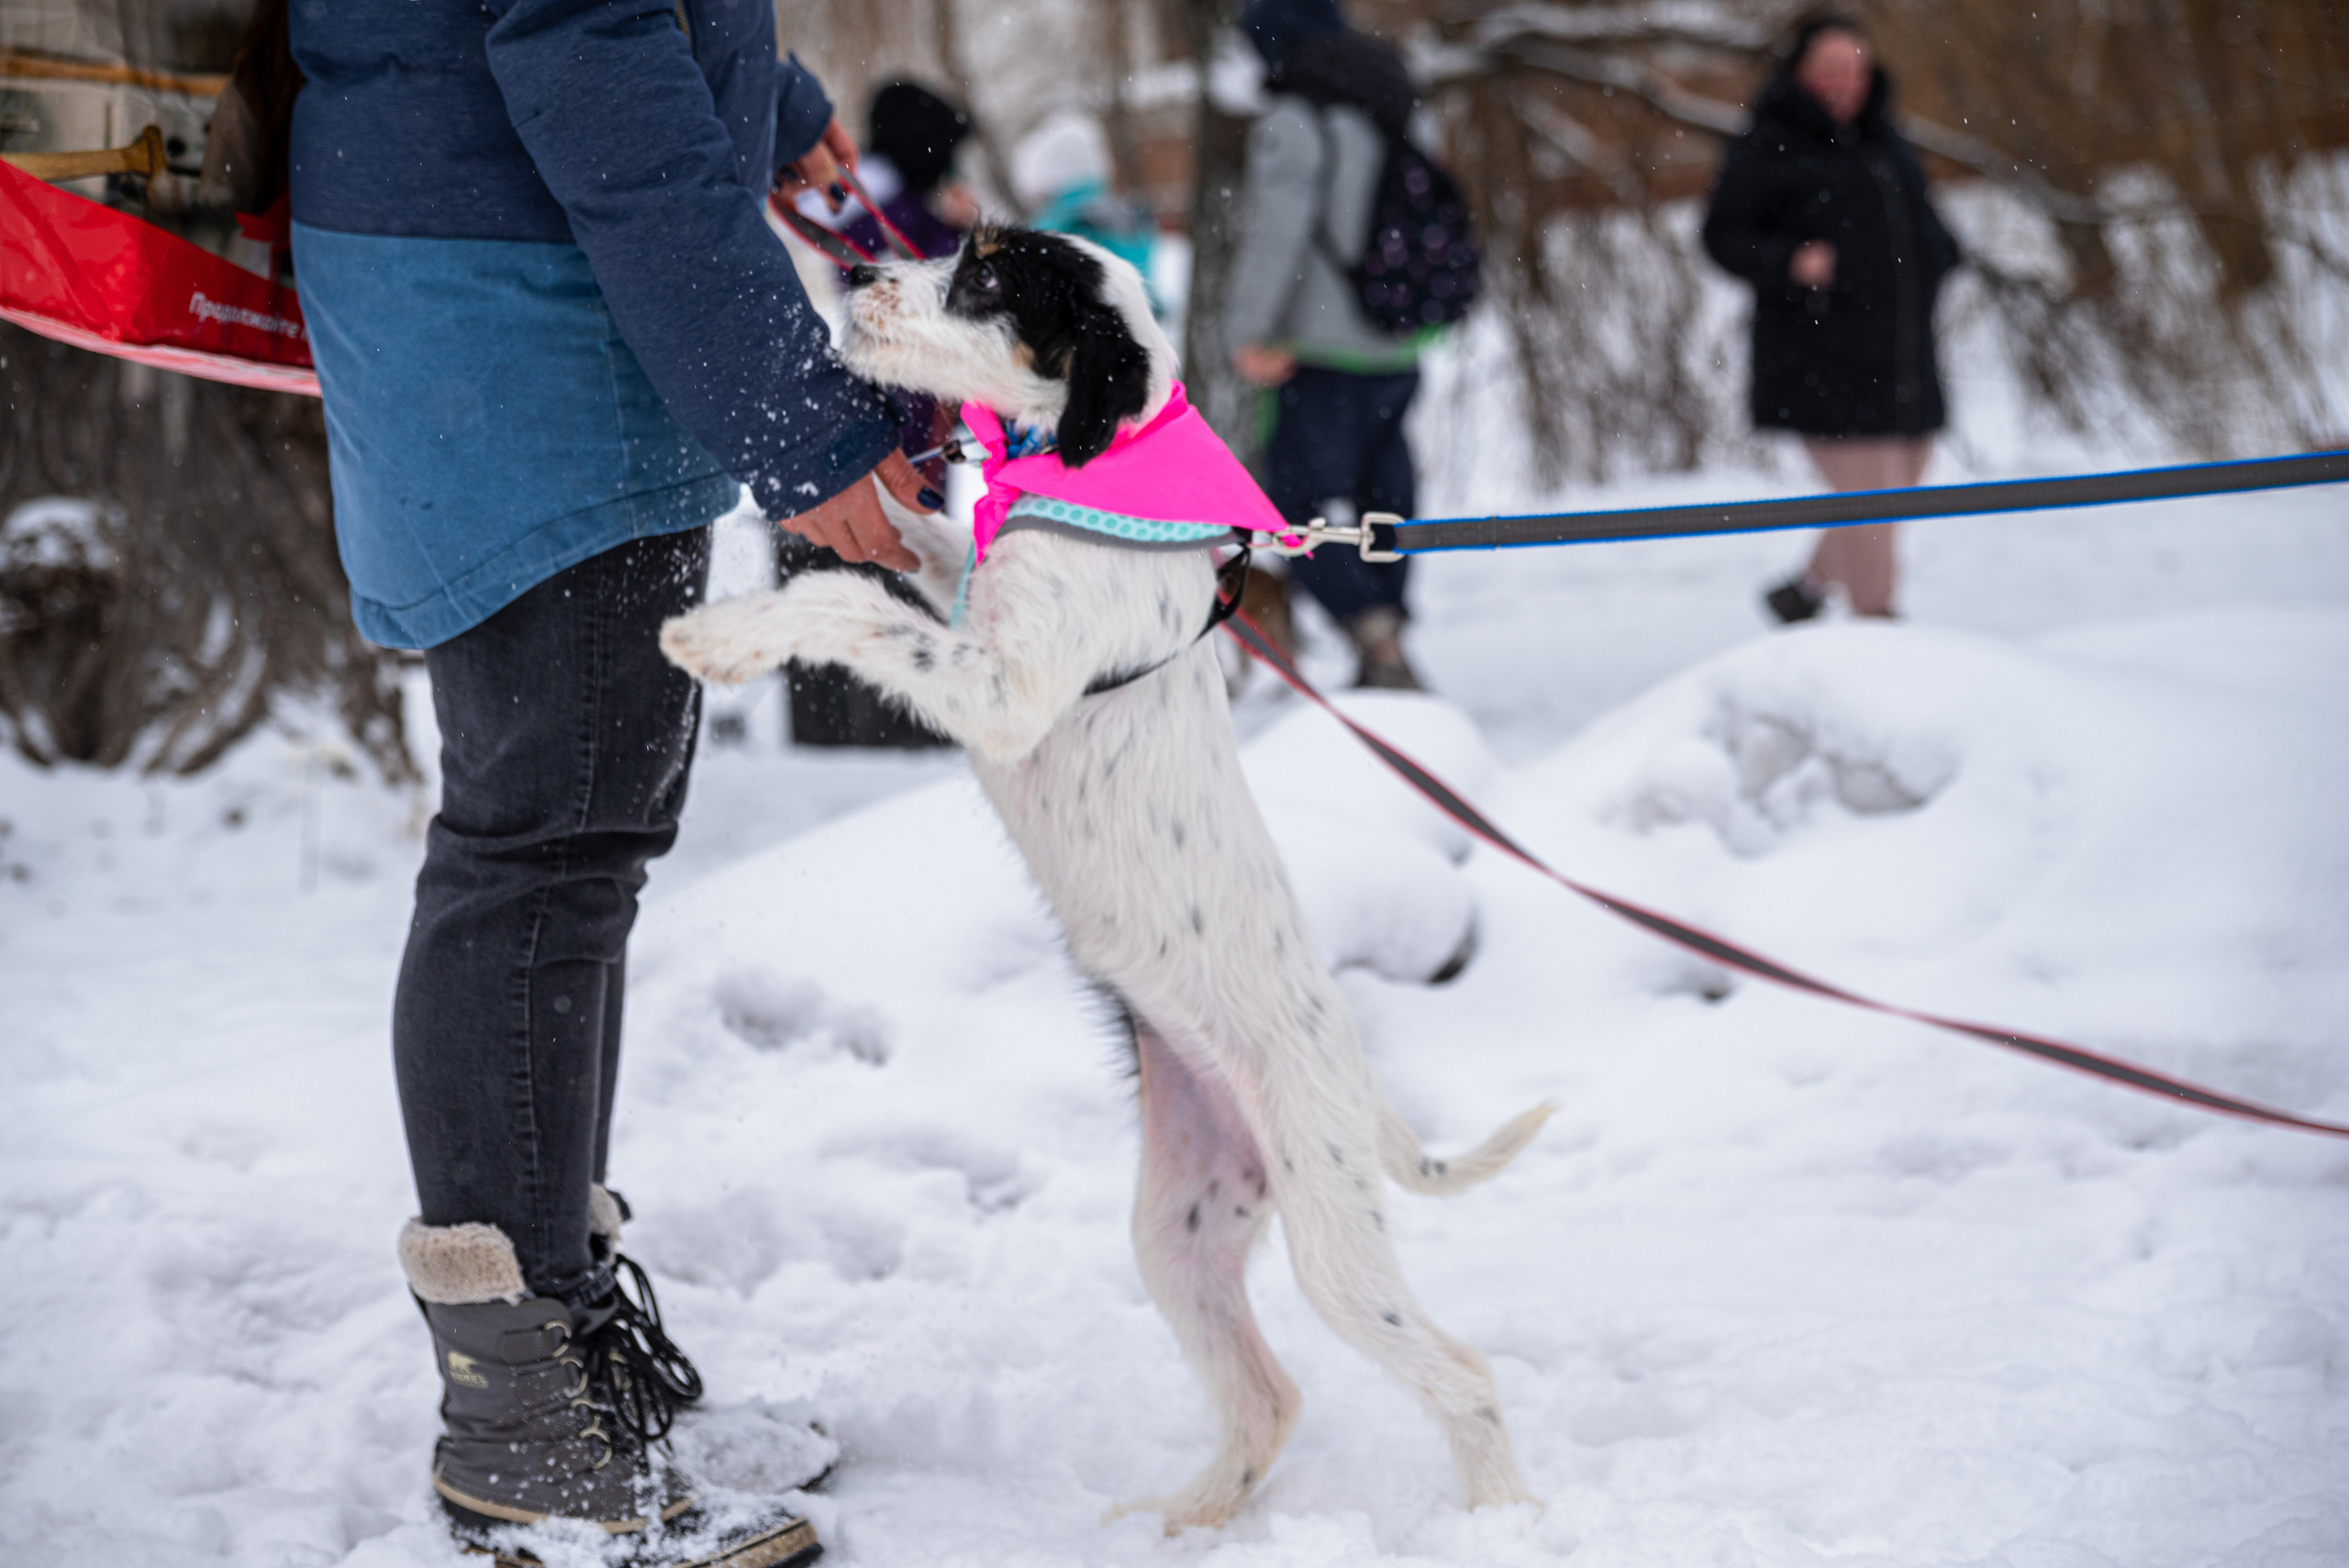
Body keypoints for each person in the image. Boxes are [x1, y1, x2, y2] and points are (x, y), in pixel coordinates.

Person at [286, 4, 933, 1562]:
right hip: (514, 291)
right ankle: (519, 1417)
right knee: (538, 846)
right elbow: (593, 64)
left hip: (495, 252)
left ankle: (564, 1348)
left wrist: (767, 101)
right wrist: (804, 427)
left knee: (576, 848)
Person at [1701, 11, 1961, 622]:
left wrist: (1943, 254)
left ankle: (1806, 591)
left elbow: (1920, 217)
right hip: (1818, 355)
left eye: (1857, 69)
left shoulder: (1884, 140)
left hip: (1901, 351)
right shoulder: (1768, 143)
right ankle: (1879, 625)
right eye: (1831, 69)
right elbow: (1721, 235)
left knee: (1899, 483)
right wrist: (1790, 260)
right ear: (1799, 72)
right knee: (1872, 495)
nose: (1846, 82)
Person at [1224, 0, 1431, 689]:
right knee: (1386, 490)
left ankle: (1374, 639)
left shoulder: (1296, 116)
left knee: (1293, 505)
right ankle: (1389, 630)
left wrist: (1249, 332)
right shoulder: (1395, 100)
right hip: (1396, 339)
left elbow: (1276, 235)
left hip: (1316, 349)